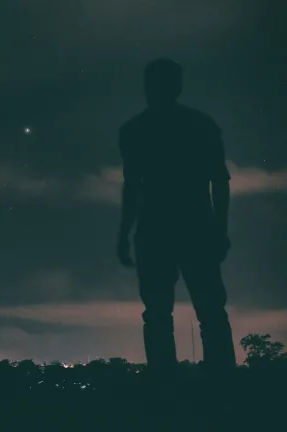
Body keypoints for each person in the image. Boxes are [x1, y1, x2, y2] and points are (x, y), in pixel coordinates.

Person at [116, 58, 237, 376]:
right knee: (208, 312)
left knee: (161, 315)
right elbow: (219, 181)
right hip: (193, 228)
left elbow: (133, 188)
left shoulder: (135, 130)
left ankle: (166, 385)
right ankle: (222, 384)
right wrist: (220, 229)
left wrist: (124, 234)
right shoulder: (200, 125)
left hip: (159, 231)